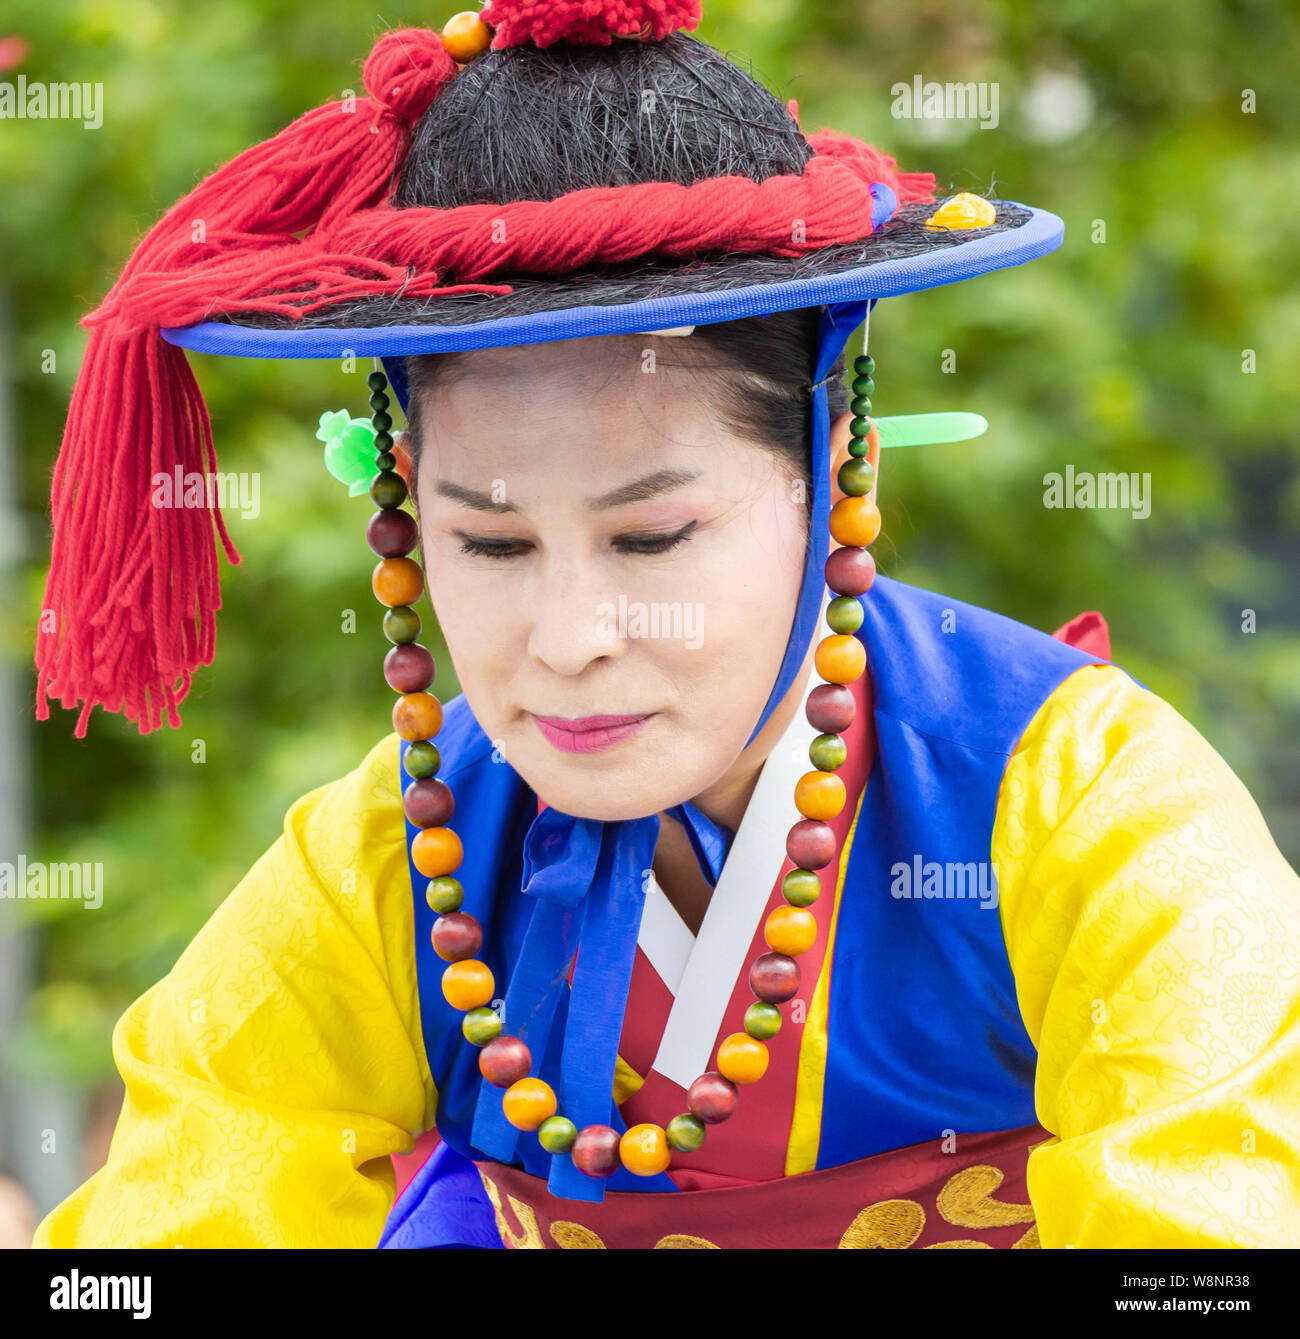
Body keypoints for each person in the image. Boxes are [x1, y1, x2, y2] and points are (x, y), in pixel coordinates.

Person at [32, 2, 1300, 1249]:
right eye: (488, 541)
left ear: (839, 464)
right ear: (408, 505)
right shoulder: (389, 860)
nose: (571, 636)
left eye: (650, 538)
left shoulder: (1088, 809)